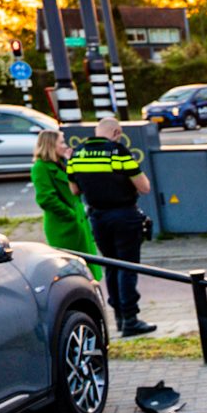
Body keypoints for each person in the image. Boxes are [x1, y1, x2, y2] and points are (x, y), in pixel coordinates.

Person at [67, 116, 154, 336]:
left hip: (98, 217)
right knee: (127, 266)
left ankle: (118, 318)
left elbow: (74, 190)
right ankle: (131, 319)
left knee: (112, 266)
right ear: (116, 133)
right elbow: (144, 187)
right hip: (124, 215)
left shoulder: (78, 154)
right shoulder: (117, 152)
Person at [31, 129, 98, 277]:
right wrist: (70, 215)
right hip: (64, 227)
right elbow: (46, 199)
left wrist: (72, 162)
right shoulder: (41, 167)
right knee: (72, 270)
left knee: (87, 269)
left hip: (79, 223)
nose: (65, 145)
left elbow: (78, 186)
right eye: (61, 142)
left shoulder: (61, 163)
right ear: (50, 145)